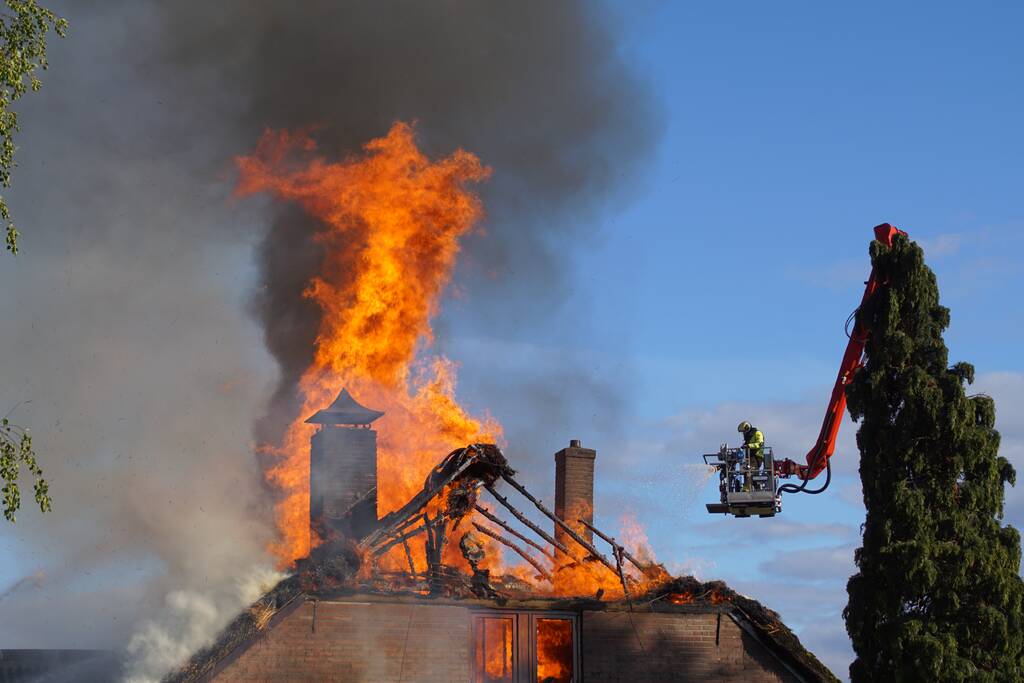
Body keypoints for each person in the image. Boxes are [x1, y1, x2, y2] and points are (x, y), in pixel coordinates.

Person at [737, 421, 764, 491]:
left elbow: (759, 444)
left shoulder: (757, 433)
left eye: (744, 431)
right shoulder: (748, 437)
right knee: (746, 469)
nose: (743, 433)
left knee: (749, 470)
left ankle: (747, 488)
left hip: (756, 456)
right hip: (749, 456)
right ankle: (752, 487)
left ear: (747, 428)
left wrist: (748, 446)